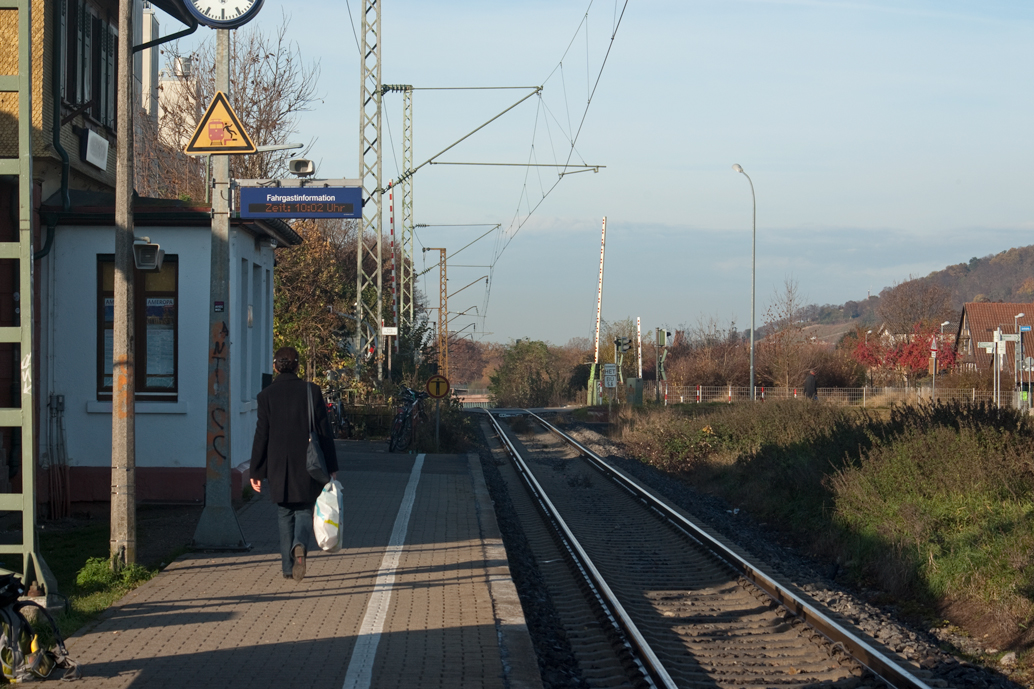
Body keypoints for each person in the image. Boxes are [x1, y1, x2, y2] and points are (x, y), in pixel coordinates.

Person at [249, 347, 338, 581]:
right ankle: (300, 544)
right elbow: (324, 431)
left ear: (276, 366)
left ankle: (288, 568)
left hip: (277, 463)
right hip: (308, 462)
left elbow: (261, 435)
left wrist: (256, 470)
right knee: (304, 509)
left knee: (283, 512)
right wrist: (331, 466)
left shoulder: (266, 395)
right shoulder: (312, 391)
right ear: (298, 366)